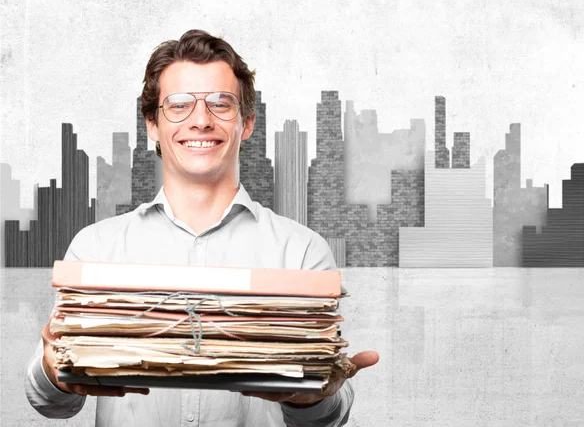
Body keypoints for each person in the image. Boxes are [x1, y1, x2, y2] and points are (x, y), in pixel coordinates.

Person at [25, 29, 379, 426]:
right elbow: (52, 405)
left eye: (220, 104)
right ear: (152, 126)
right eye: (178, 105)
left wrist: (310, 396)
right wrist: (53, 374)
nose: (200, 121)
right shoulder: (96, 248)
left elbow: (324, 417)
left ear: (246, 123)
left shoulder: (300, 251)